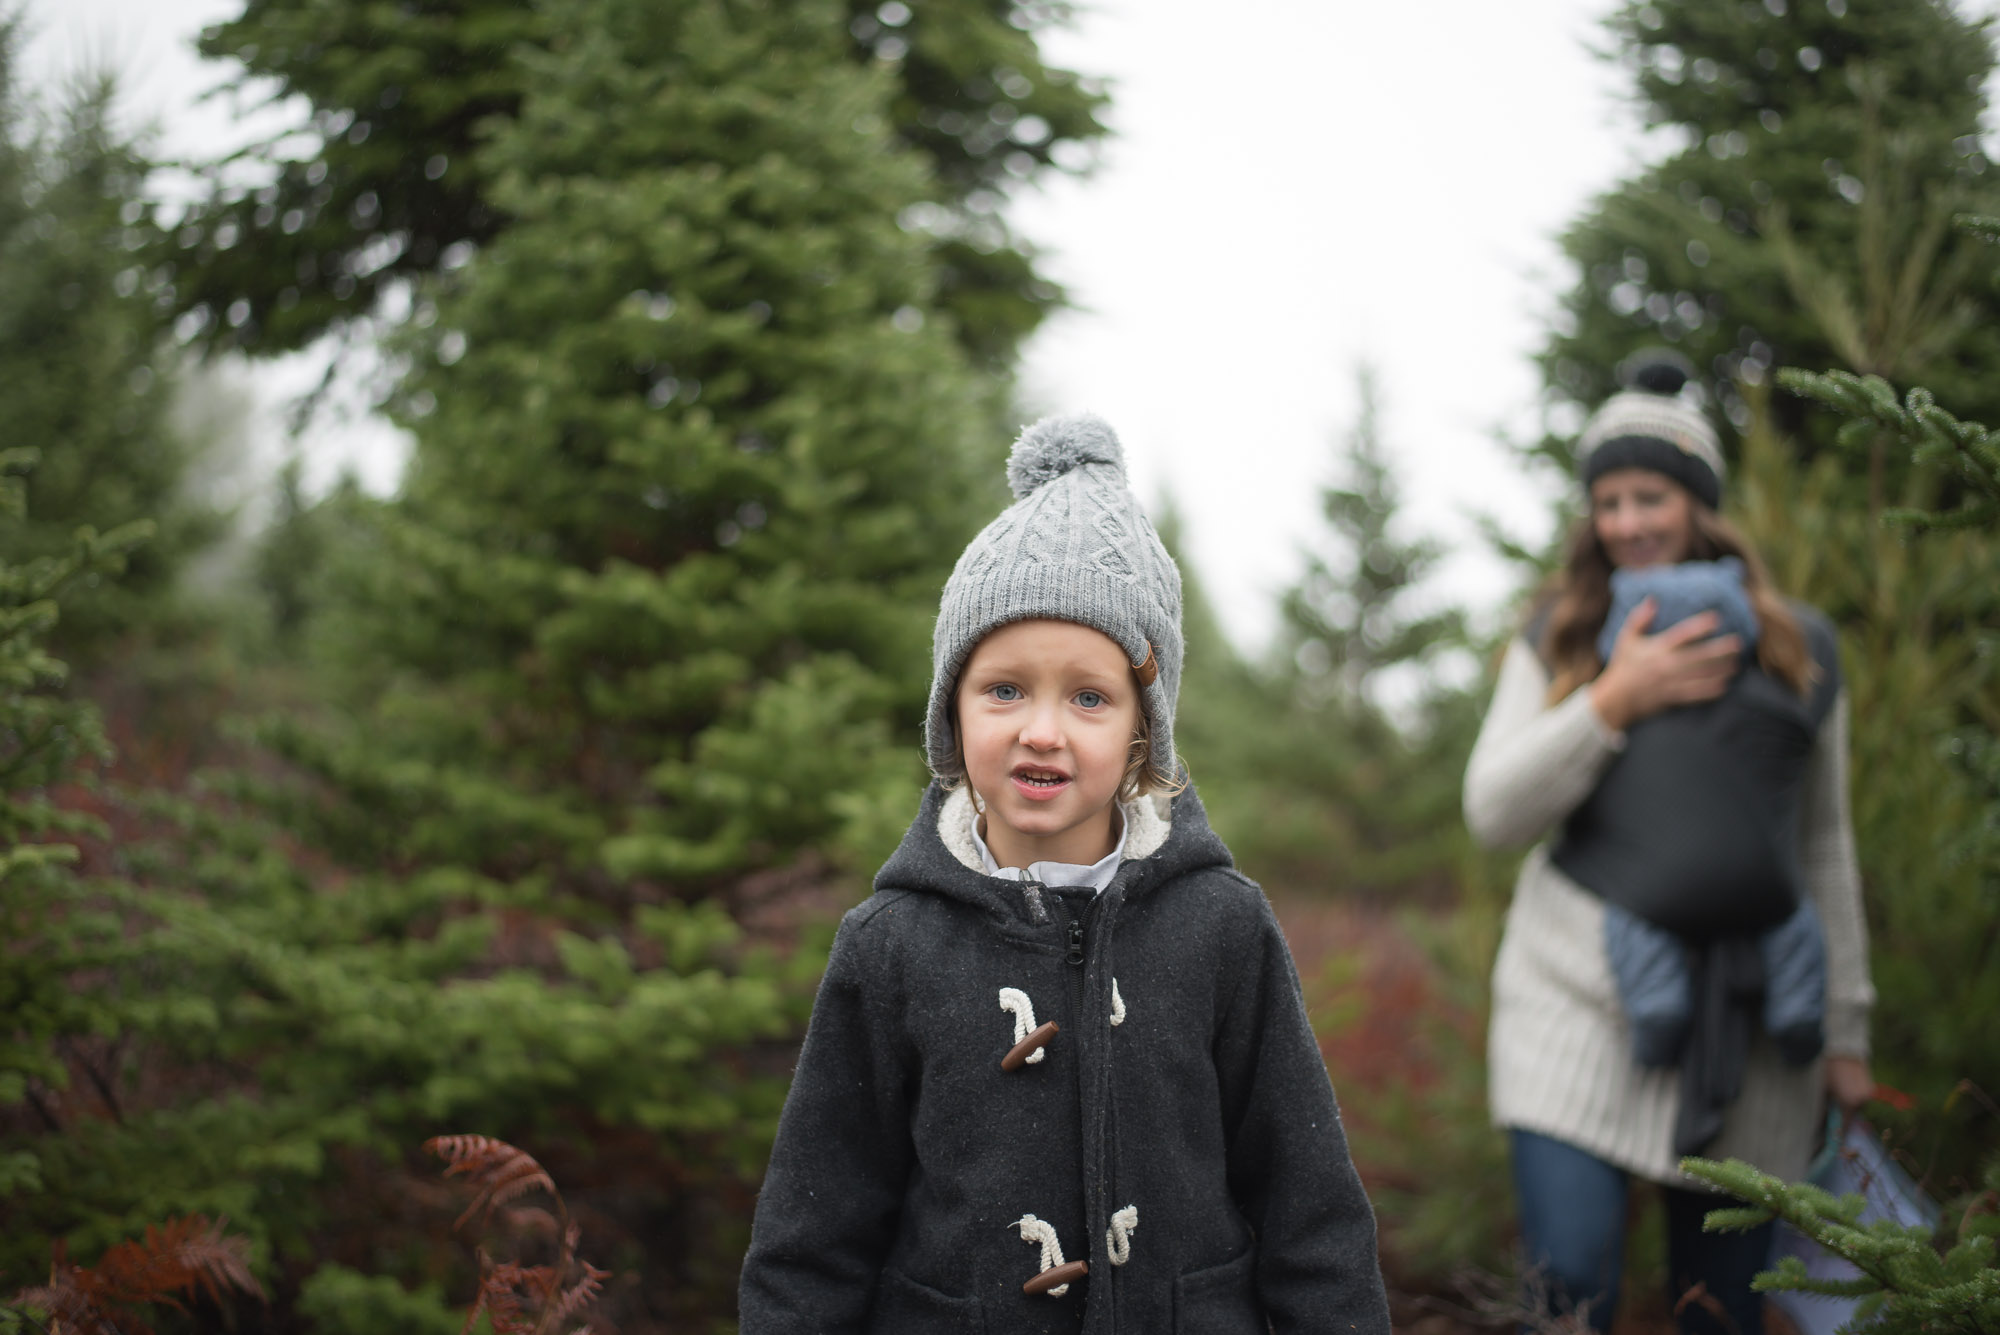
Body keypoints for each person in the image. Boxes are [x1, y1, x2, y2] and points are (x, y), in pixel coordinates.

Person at [739, 413, 1391, 1334]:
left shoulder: (1222, 926)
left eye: (1088, 695)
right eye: (1004, 688)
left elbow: (1309, 1207)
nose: (1041, 729)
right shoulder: (890, 946)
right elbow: (814, 1236)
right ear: (952, 712)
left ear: (1141, 727)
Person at [1462, 354, 1876, 1335]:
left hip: (1751, 1028)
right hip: (1575, 1009)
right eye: (1606, 502)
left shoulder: (1797, 648)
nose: (1626, 522)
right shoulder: (1557, 636)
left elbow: (1824, 846)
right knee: (1568, 1285)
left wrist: (1846, 1037)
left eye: (1648, 495)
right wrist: (1612, 699)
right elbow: (1491, 811)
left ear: (1697, 501)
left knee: (1719, 1313)